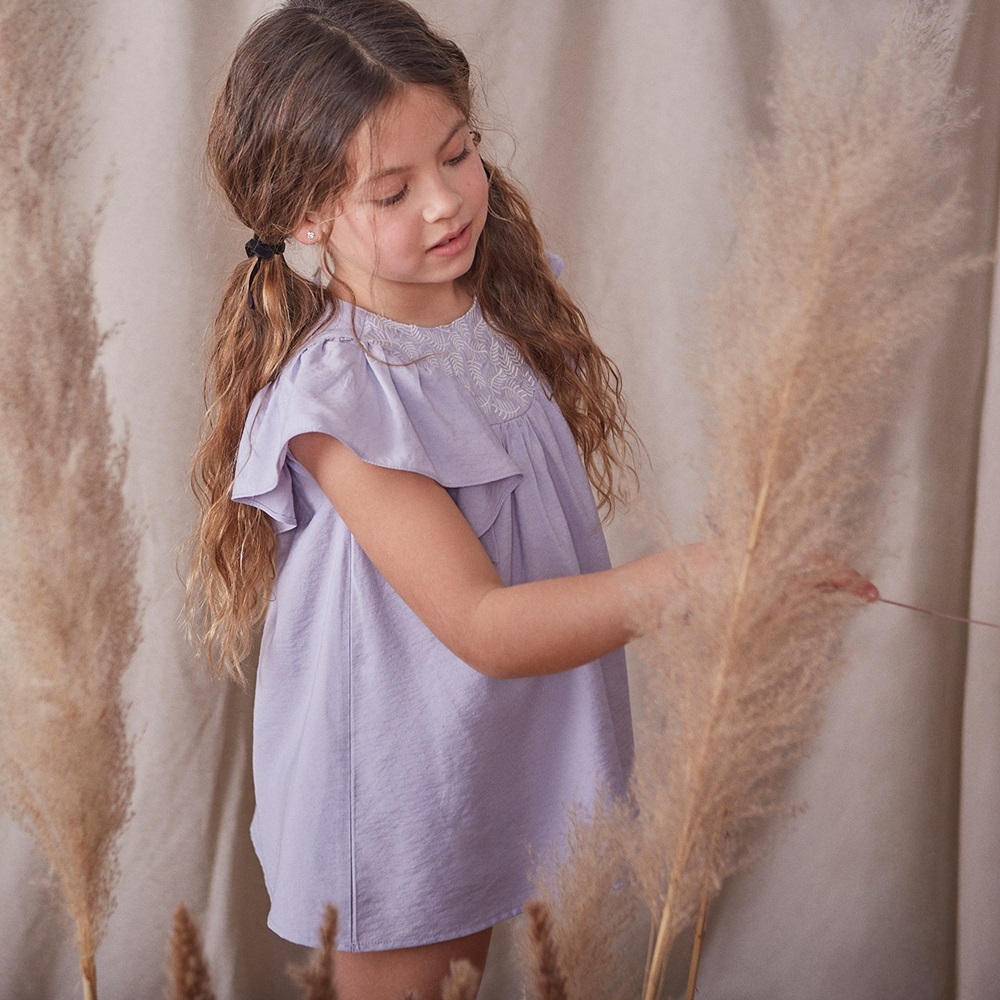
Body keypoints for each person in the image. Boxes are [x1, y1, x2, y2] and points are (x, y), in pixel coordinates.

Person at [187, 2, 877, 997]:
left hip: (477, 745)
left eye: (457, 154)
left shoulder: (485, 308)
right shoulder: (340, 398)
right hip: (394, 778)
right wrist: (698, 574)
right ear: (305, 218)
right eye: (392, 190)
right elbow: (482, 623)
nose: (444, 202)